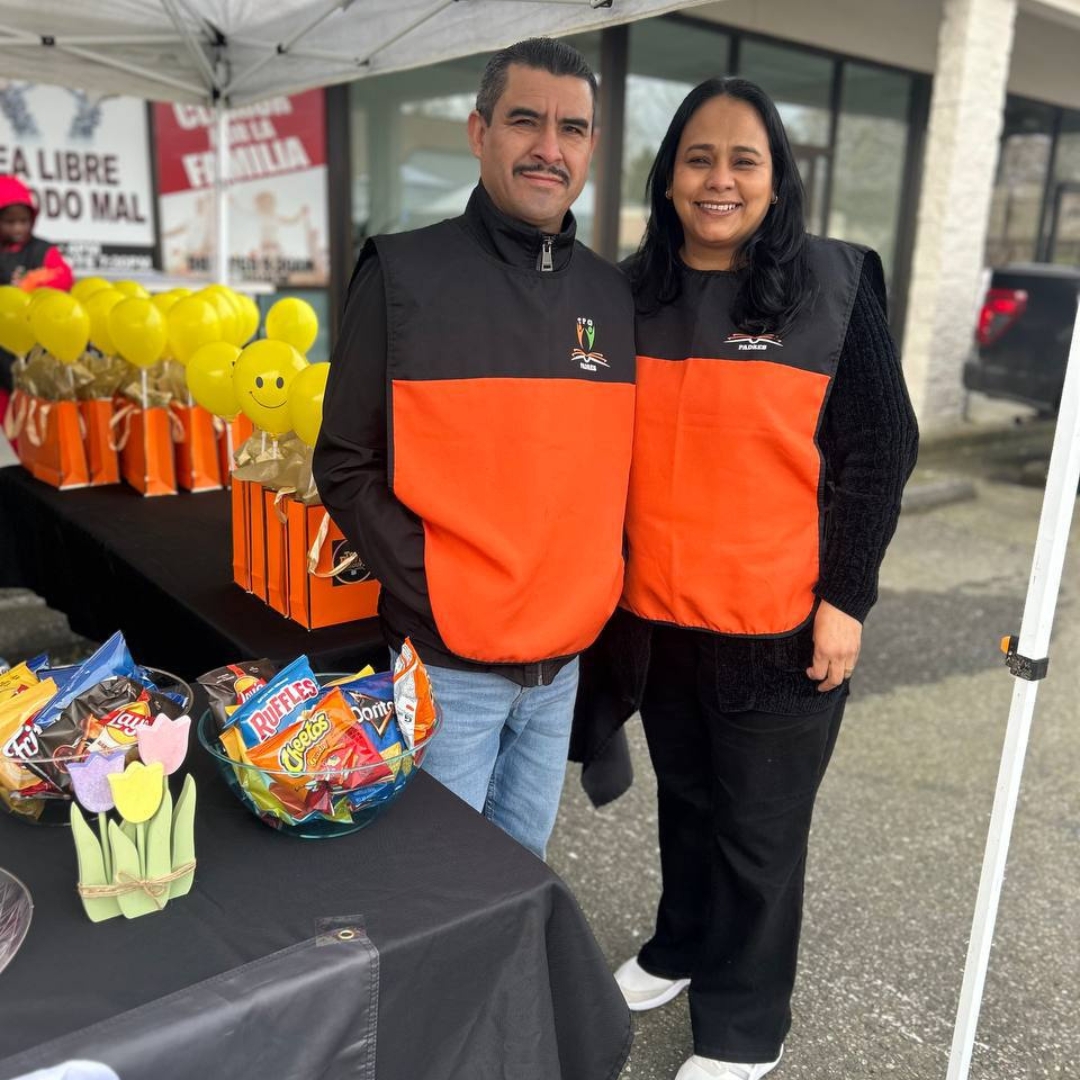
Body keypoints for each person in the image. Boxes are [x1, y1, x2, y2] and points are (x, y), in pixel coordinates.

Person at [599, 78, 919, 1079]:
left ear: (776, 179)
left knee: (759, 832)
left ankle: (743, 1029)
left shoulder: (832, 285)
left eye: (745, 159)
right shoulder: (628, 292)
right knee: (688, 802)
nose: (720, 179)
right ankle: (680, 947)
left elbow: (880, 446)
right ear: (668, 176)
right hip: (658, 618)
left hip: (780, 625)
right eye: (699, 157)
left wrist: (847, 599)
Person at [313, 38, 635, 860]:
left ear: (592, 147)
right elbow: (343, 461)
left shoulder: (612, 295)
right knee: (436, 884)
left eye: (572, 128)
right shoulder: (402, 274)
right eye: (525, 121)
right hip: (447, 668)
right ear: (479, 131)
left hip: (562, 670)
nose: (549, 147)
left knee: (519, 870)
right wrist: (441, 588)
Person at [0, 175, 74, 394]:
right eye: (10, 222)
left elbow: (64, 277)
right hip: (2, 342)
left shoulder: (43, 250)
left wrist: (32, 283)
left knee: (30, 398)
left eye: (24, 221)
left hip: (34, 343)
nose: (18, 228)